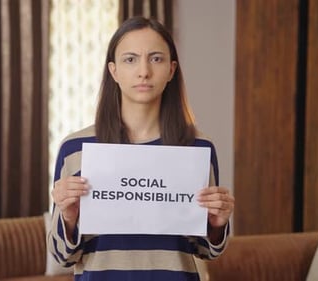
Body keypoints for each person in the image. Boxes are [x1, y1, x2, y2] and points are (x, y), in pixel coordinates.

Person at [48, 16, 234, 281]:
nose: (143, 71)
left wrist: (217, 225)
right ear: (113, 71)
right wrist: (68, 217)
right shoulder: (75, 148)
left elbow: (207, 250)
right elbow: (61, 256)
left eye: (156, 59)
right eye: (130, 59)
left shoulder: (197, 148)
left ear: (171, 70)